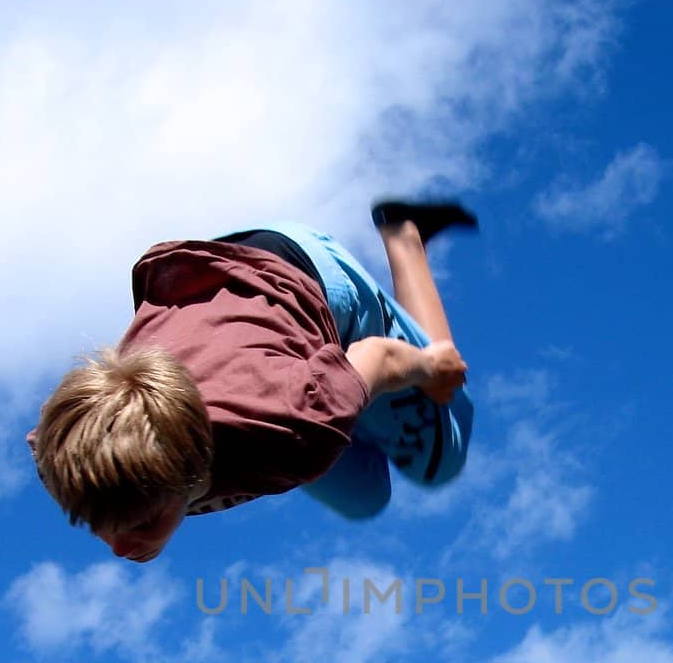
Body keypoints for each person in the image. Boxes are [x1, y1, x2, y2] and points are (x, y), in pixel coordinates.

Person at [28, 202, 478, 562]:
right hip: (218, 287)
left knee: (440, 457)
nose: (119, 547)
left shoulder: (290, 426)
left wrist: (432, 366)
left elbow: (378, 357)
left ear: (193, 466)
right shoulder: (60, 454)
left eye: (143, 523)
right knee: (364, 496)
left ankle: (404, 232)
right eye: (94, 524)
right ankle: (340, 394)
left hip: (305, 276)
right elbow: (46, 438)